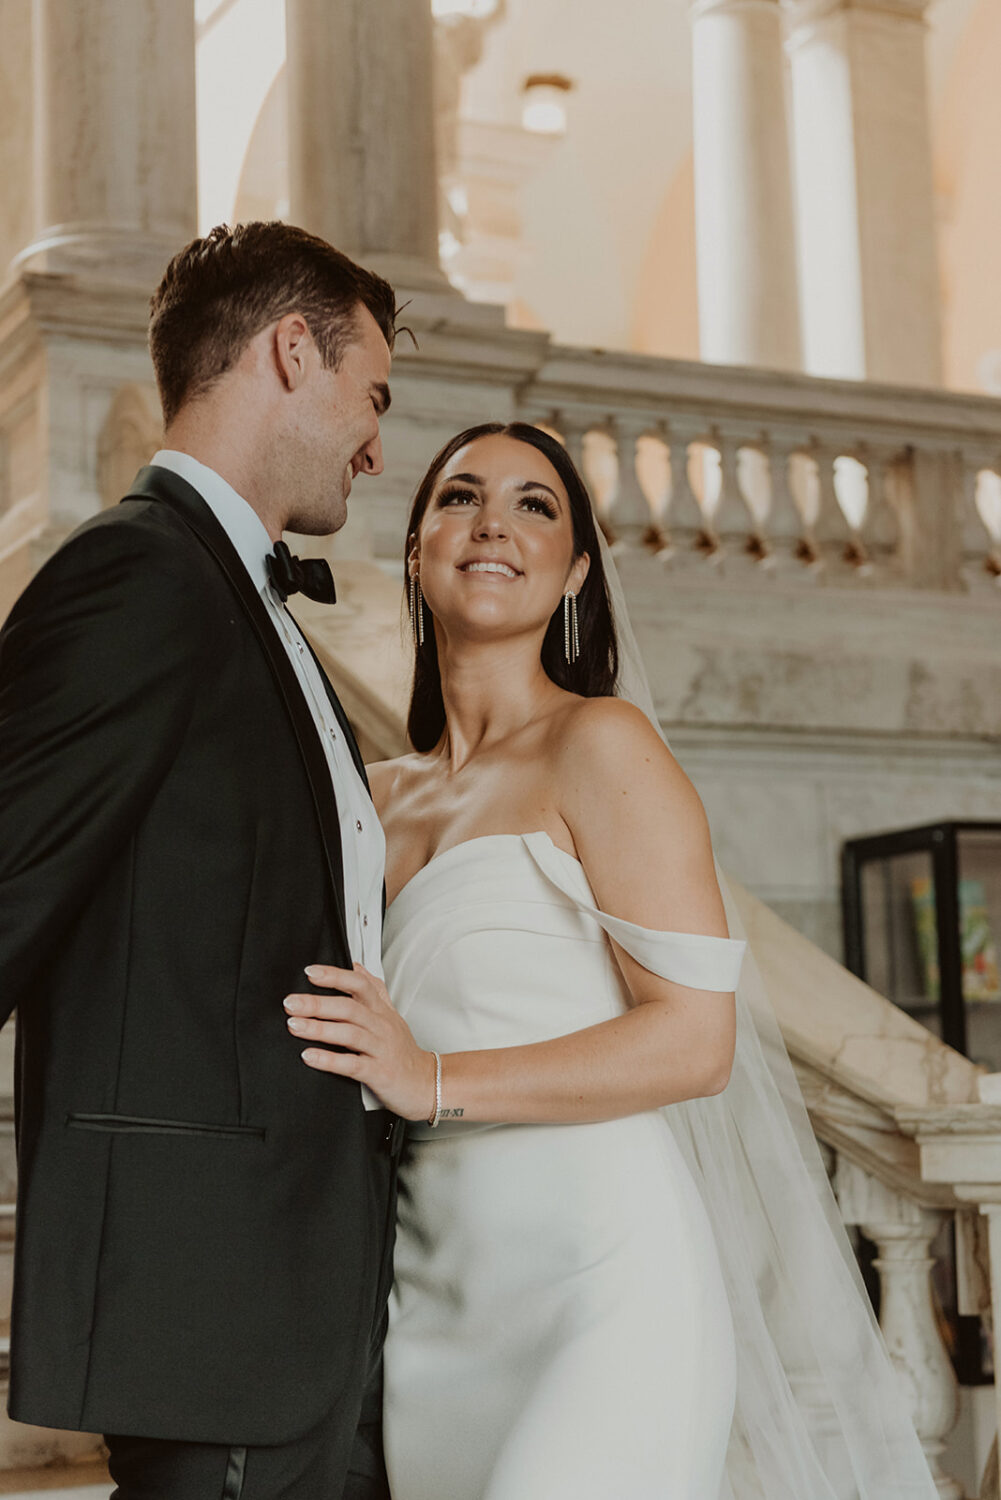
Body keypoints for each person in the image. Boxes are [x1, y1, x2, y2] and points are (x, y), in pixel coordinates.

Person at [290, 422, 943, 1499]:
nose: (491, 523)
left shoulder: (600, 745)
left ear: (575, 574)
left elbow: (694, 1043)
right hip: (433, 1297)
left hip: (604, 1278)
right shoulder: (369, 797)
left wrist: (432, 1078)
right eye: (458, 497)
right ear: (415, 549)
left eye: (533, 505)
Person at [0, 221, 400, 1500]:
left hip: (309, 1301)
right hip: (210, 1310)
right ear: (291, 352)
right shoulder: (138, 575)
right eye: (373, 397)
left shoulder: (238, 598)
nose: (376, 447)